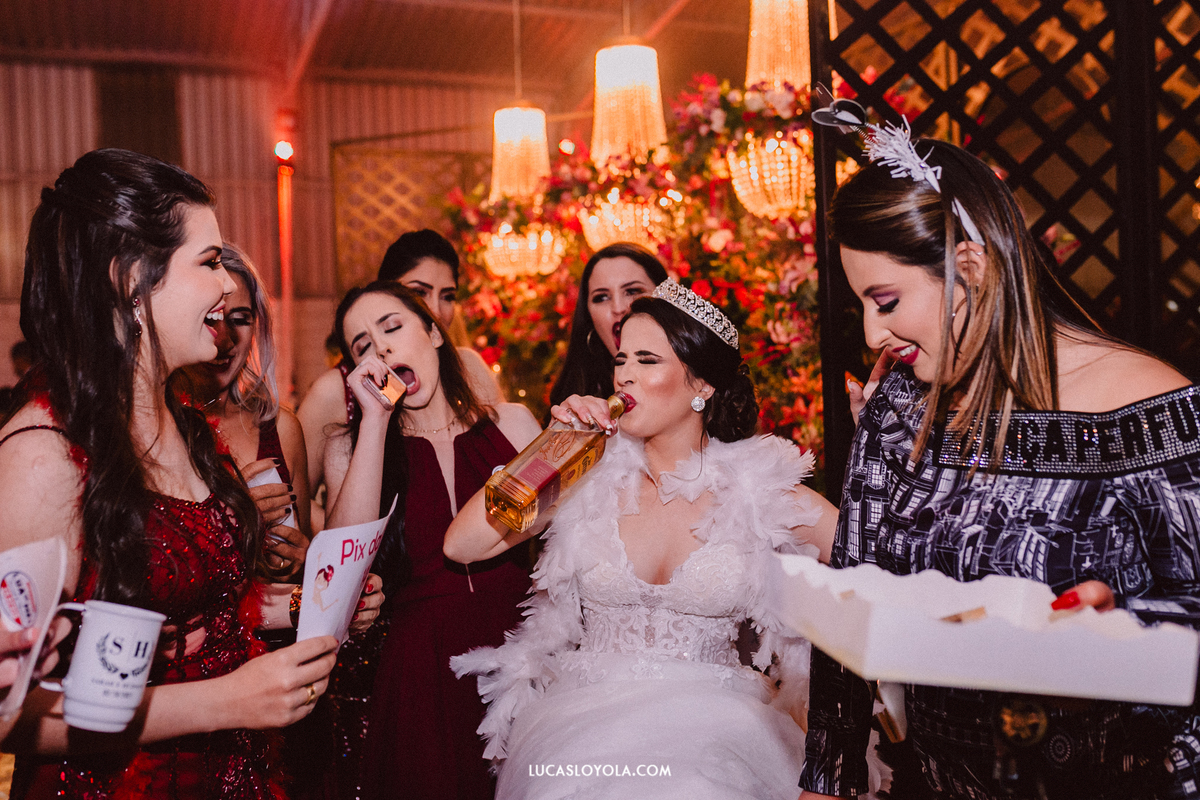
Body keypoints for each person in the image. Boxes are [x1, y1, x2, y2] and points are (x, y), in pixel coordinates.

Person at [797, 131, 1200, 799]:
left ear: (972, 269)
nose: (871, 333)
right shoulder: (900, 409)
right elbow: (850, 608)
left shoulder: (1149, 415)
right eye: (861, 304)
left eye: (886, 301)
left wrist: (1128, 626)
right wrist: (826, 781)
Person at [0, 148, 343, 799]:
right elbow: (10, 712)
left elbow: (202, 606)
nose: (226, 287)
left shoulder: (186, 422)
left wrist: (315, 604)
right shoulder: (43, 454)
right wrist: (227, 701)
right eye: (209, 262)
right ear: (130, 278)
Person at [445, 279, 845, 799]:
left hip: (718, 732)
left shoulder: (760, 488)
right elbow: (463, 545)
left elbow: (877, 562)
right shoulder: (583, 474)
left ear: (702, 384)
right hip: (581, 732)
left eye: (647, 360)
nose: (625, 375)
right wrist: (555, 447)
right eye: (621, 360)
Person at [321, 281, 540, 799]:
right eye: (363, 345)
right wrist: (375, 423)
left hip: (524, 657)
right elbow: (341, 569)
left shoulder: (512, 423)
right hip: (421, 675)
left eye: (392, 327)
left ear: (434, 333)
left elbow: (567, 535)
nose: (381, 348)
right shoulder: (352, 448)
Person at [298, 229, 502, 502]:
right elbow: (296, 501)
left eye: (448, 296)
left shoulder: (470, 366)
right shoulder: (334, 390)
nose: (435, 310)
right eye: (418, 292)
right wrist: (349, 520)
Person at [174, 245, 311, 580]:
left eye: (240, 319)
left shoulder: (280, 429)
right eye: (211, 318)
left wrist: (303, 564)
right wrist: (230, 520)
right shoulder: (157, 428)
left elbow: (299, 576)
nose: (225, 339)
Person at [546, 241, 669, 412]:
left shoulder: (696, 380)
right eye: (602, 297)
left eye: (632, 291)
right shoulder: (577, 407)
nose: (618, 308)